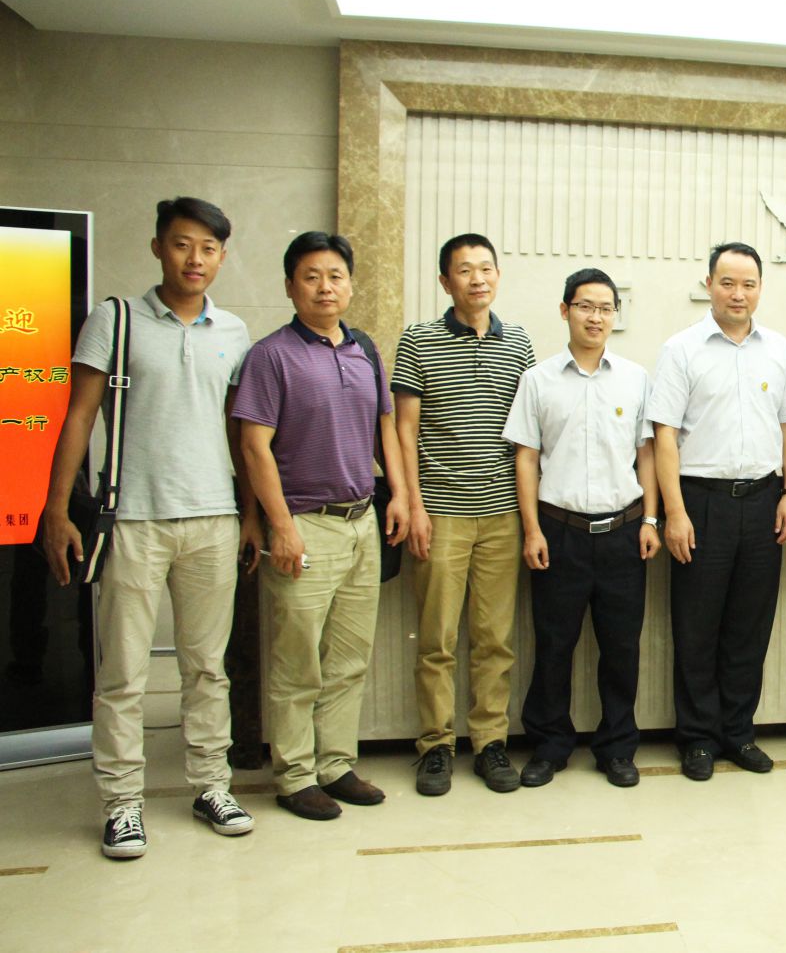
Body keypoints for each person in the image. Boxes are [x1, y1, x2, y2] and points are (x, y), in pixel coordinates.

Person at [41, 197, 257, 858]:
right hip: (132, 518)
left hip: (214, 519)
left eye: (209, 248)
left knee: (207, 668)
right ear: (158, 246)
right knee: (124, 673)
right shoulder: (115, 320)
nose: (195, 259)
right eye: (183, 244)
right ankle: (121, 803)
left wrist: (250, 514)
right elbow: (78, 416)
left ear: (222, 257)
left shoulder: (235, 331)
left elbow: (240, 433)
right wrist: (56, 509)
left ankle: (211, 785)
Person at [234, 231, 410, 819]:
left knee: (348, 657)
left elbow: (385, 427)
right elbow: (254, 447)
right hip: (305, 524)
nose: (325, 287)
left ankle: (335, 764)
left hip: (361, 522)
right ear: (291, 286)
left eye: (335, 276)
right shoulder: (270, 356)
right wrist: (280, 526)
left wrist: (399, 495)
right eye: (311, 277)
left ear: (350, 285)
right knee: (297, 661)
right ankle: (294, 774)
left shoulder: (364, 349)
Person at [647, 242, 786, 781]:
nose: (738, 294)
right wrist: (674, 512)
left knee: (749, 627)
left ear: (760, 288)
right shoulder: (681, 350)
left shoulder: (778, 349)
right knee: (696, 628)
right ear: (709, 285)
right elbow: (664, 436)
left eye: (749, 284)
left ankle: (738, 732)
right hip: (701, 502)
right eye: (728, 283)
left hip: (764, 501)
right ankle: (697, 738)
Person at [503, 268, 660, 789]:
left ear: (616, 315)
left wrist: (651, 519)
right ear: (565, 310)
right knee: (554, 646)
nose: (596, 317)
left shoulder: (635, 378)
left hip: (624, 533)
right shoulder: (538, 380)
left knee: (622, 648)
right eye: (585, 306)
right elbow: (526, 459)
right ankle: (549, 746)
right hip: (559, 532)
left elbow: (646, 455)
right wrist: (532, 530)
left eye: (605, 308)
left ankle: (617, 748)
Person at [393, 234, 535, 796]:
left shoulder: (518, 342)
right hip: (441, 513)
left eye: (486, 268)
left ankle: (490, 743)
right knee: (437, 639)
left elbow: (528, 435)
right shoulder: (418, 341)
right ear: (444, 281)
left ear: (498, 275)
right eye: (464, 270)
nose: (477, 279)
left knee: (495, 638)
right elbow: (404, 430)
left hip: (503, 514)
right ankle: (435, 746)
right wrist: (414, 505)